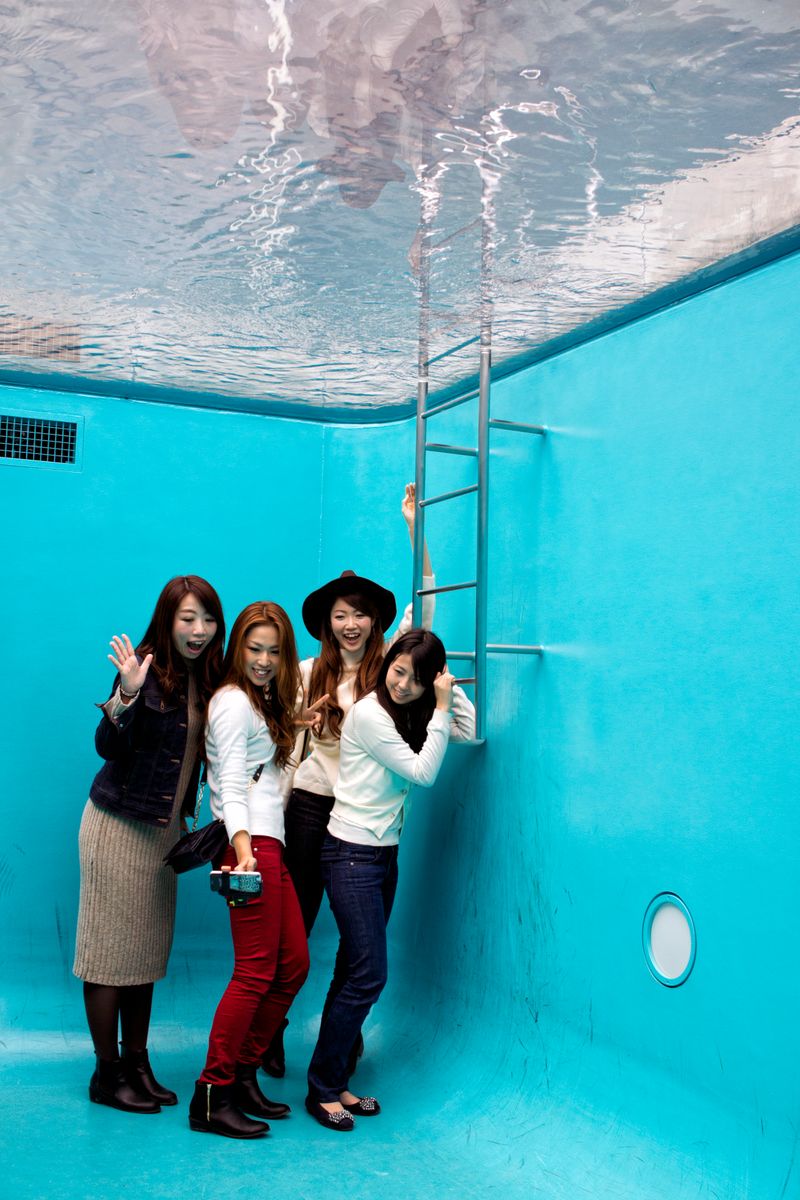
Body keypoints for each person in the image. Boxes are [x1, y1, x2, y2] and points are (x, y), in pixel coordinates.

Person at [265, 483, 434, 1077]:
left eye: (360, 613)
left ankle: (346, 1029)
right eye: (341, 614)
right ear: (327, 623)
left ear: (376, 620)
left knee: (362, 941)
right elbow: (271, 728)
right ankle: (271, 1031)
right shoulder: (309, 671)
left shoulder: (394, 671)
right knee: (298, 930)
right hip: (310, 812)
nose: (351, 623)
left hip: (366, 822)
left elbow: (429, 601)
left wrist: (415, 527)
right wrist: (295, 720)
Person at [305, 629, 475, 1130]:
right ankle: (321, 1089)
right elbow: (424, 773)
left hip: (382, 856)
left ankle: (333, 1081)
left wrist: (445, 691)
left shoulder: (414, 709)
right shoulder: (370, 714)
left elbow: (466, 727)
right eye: (398, 671)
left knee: (350, 969)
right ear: (386, 664)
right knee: (369, 974)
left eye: (416, 680)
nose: (402, 685)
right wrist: (438, 705)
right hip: (351, 854)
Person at [74, 575, 225, 1115]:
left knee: (144, 952)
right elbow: (107, 744)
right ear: (167, 619)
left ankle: (137, 1065)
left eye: (207, 619)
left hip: (163, 831)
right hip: (117, 828)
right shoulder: (142, 668)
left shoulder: (207, 676)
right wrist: (128, 695)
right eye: (188, 618)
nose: (199, 630)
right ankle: (106, 1073)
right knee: (109, 954)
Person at [188, 602, 312, 1140]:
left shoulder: (258, 701)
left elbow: (267, 777)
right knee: (256, 971)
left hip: (268, 841)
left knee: (293, 966)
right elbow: (232, 783)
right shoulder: (233, 701)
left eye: (274, 651)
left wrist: (295, 731)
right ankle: (213, 1092)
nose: (263, 660)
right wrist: (242, 847)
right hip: (249, 845)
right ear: (237, 646)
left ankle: (241, 1073)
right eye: (254, 648)